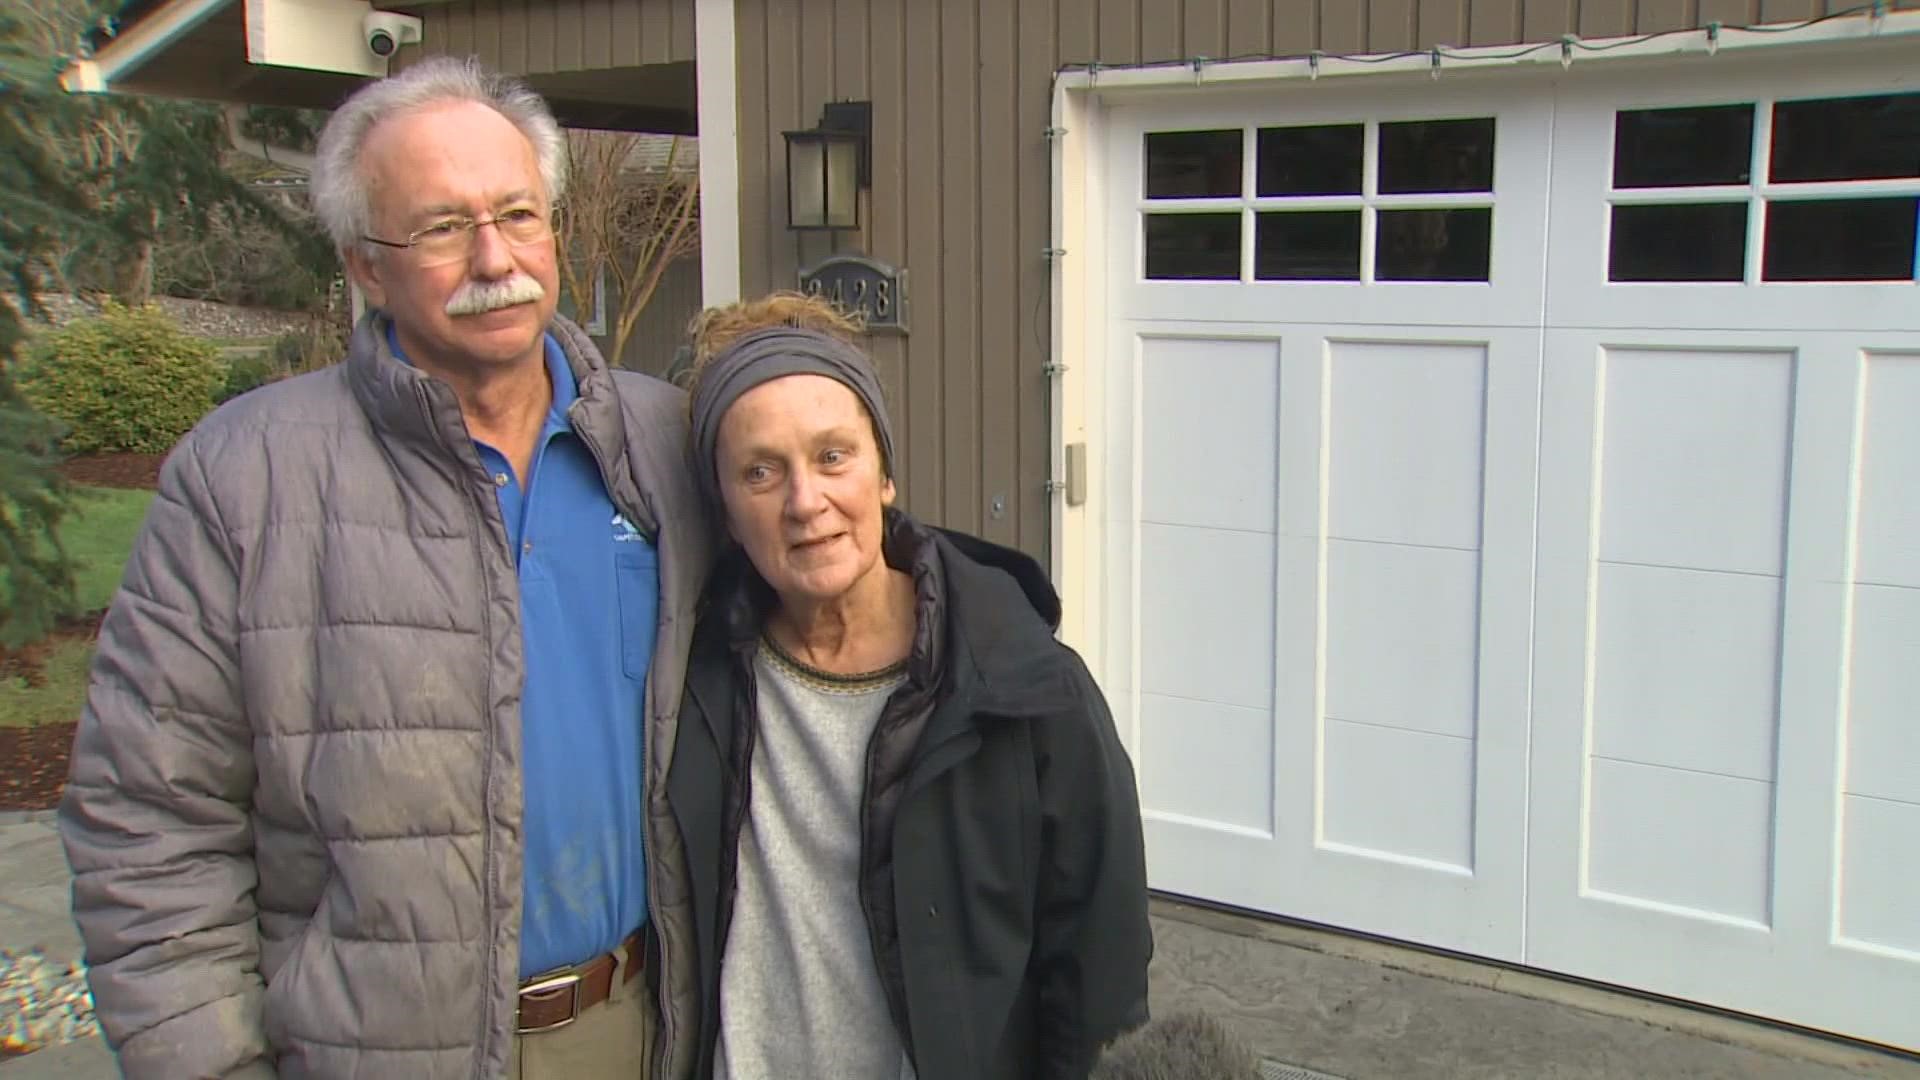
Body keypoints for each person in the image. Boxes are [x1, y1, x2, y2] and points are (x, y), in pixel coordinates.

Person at [57, 57, 713, 1079]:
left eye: (518, 214)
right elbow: (148, 825)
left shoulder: (667, 445)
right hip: (377, 1051)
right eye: (444, 227)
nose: (496, 257)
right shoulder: (245, 479)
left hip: (640, 1025)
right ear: (367, 265)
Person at [665, 293, 1154, 1080]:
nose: (805, 501)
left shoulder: (1027, 691)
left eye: (833, 457)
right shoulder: (691, 682)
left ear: (884, 474)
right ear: (723, 511)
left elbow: (1100, 973)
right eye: (761, 471)